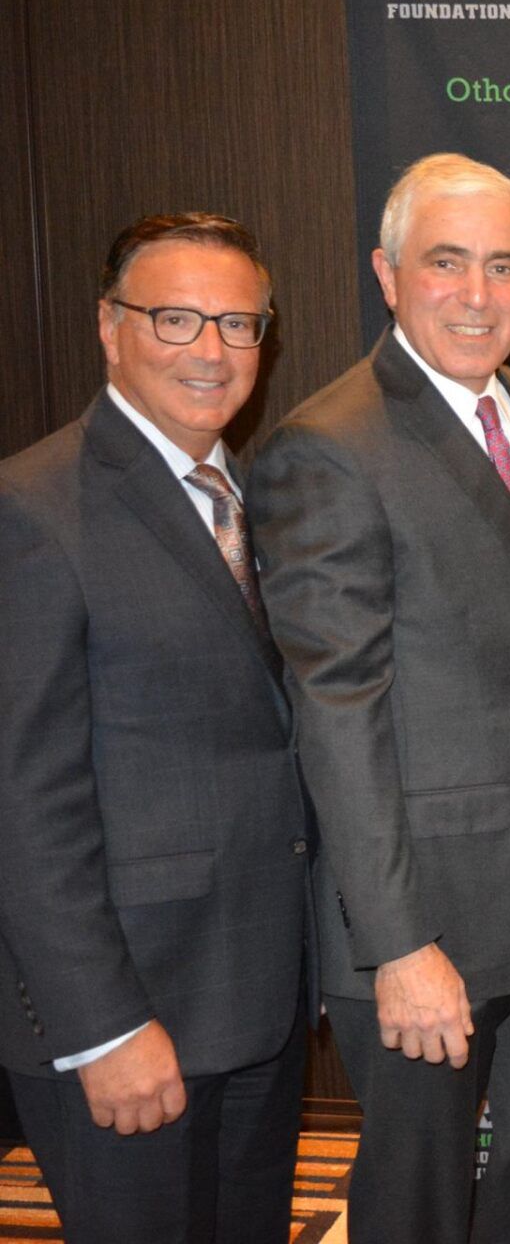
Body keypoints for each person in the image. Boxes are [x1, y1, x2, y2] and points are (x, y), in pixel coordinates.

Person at [250, 153, 510, 1242]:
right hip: (431, 932)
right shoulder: (330, 446)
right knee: (417, 1211)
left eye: (502, 266)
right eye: (446, 262)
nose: (476, 292)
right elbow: (338, 710)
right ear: (387, 272)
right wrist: (399, 943)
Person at [0, 213, 310, 1242]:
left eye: (237, 322)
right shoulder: (33, 508)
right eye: (176, 319)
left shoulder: (253, 498)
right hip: (134, 1020)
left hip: (256, 998)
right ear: (109, 327)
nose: (212, 350)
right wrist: (102, 1028)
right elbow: (23, 802)